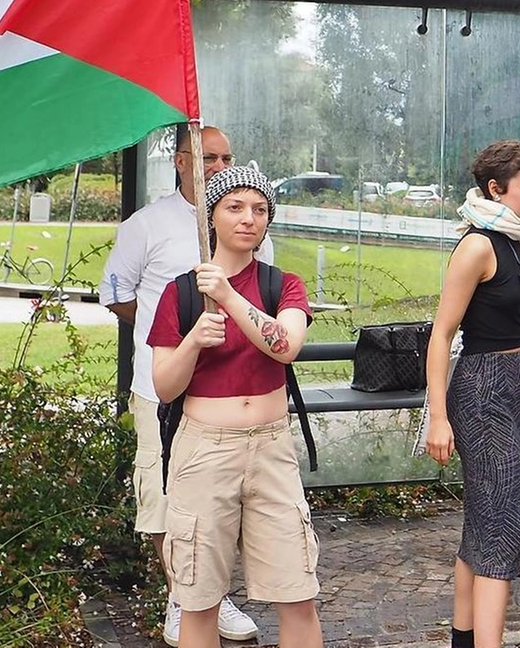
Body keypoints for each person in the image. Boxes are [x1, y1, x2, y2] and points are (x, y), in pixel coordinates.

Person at [101, 125, 268, 645]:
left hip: (225, 396)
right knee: (164, 497)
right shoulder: (146, 225)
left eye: (226, 157)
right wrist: (169, 333)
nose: (217, 165)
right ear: (181, 161)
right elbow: (117, 294)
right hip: (162, 389)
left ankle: (212, 599)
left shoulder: (245, 221)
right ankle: (182, 598)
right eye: (207, 156)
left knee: (220, 500)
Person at [148, 165, 321, 648]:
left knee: (298, 592)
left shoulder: (281, 285)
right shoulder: (181, 293)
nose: (249, 218)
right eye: (235, 207)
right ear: (212, 217)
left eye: (260, 209)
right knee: (199, 600)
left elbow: (284, 345)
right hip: (205, 452)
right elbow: (164, 387)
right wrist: (192, 344)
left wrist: (226, 295)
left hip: (271, 451)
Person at [424, 140, 520, 648]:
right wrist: (437, 416)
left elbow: (512, 328)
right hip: (481, 389)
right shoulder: (478, 245)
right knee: (499, 525)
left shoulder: (517, 240)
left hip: (510, 381)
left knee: (483, 520)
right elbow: (441, 332)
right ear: (496, 190)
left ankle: (464, 638)